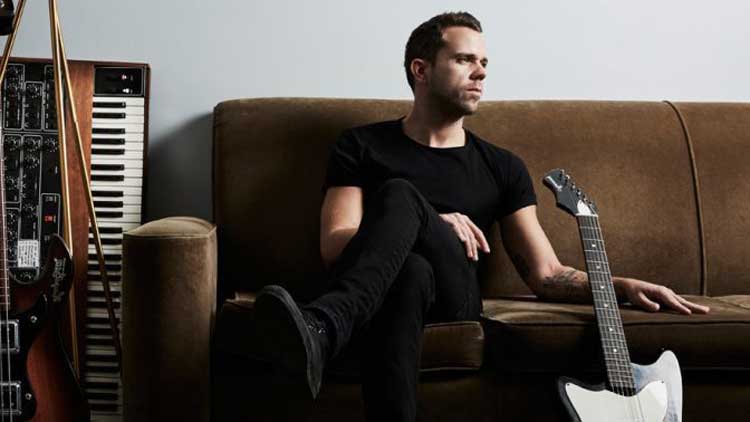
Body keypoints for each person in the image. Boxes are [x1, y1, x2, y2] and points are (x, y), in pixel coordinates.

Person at [253, 11, 710, 422]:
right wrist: (430, 220)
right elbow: (336, 245)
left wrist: (621, 286)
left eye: (484, 63)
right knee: (409, 264)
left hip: (455, 294)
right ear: (420, 70)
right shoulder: (360, 146)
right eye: (464, 60)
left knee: (401, 196)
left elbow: (546, 274)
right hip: (391, 286)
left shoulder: (502, 166)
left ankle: (324, 327)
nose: (481, 72)